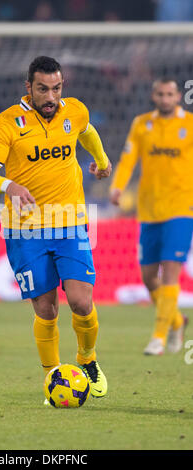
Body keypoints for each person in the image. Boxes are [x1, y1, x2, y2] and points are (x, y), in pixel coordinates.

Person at [0, 56, 112, 402]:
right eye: (42, 89)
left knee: (81, 301)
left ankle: (88, 360)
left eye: (56, 88)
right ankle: (53, 376)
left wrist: (101, 159)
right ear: (29, 88)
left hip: (69, 222)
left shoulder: (74, 111)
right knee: (47, 309)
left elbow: (87, 131)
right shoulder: (8, 122)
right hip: (24, 230)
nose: (50, 96)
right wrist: (10, 187)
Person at [109, 78, 193, 355]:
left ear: (178, 96)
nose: (166, 98)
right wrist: (118, 186)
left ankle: (158, 336)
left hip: (182, 209)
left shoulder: (189, 124)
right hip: (149, 209)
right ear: (154, 95)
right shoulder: (141, 123)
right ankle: (178, 321)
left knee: (171, 271)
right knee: (148, 276)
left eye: (170, 94)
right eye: (161, 94)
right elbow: (128, 159)